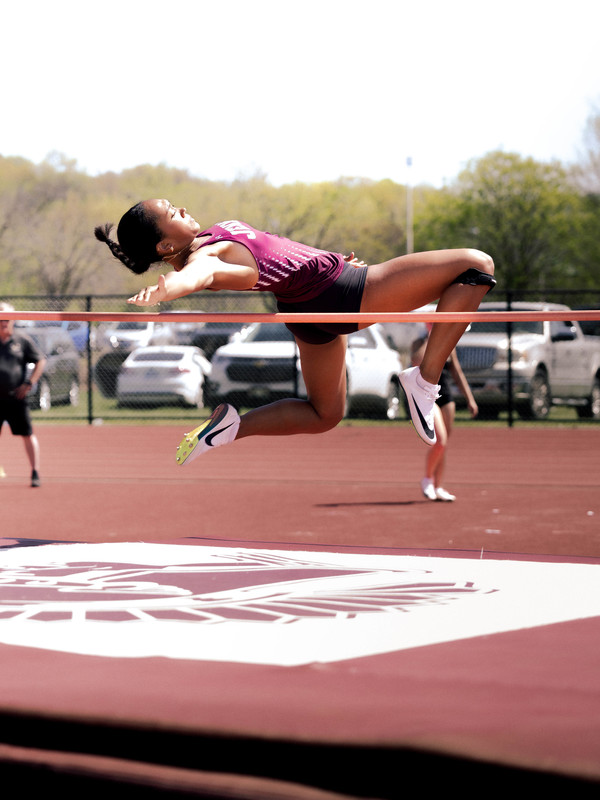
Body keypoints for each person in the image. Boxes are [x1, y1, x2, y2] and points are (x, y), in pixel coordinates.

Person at [95, 199, 495, 463]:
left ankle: (232, 425)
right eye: (172, 212)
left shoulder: (210, 237)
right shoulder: (205, 255)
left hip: (306, 306)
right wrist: (171, 288)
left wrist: (327, 257)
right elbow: (205, 273)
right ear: (166, 247)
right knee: (476, 266)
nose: (181, 207)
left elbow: (274, 254)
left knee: (325, 414)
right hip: (337, 293)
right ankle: (424, 381)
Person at [410, 333, 478, 501]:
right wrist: (431, 338)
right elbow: (417, 361)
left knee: (444, 445)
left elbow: (457, 372)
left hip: (446, 396)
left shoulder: (449, 341)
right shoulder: (419, 342)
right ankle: (427, 478)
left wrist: (470, 399)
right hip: (428, 396)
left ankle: (438, 486)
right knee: (440, 441)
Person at [0, 303, 46, 486]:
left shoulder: (22, 341)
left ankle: (35, 472)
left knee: (27, 434)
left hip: (16, 399)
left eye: (7, 318)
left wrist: (29, 383)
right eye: (0, 318)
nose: (4, 322)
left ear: (14, 319)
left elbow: (40, 360)